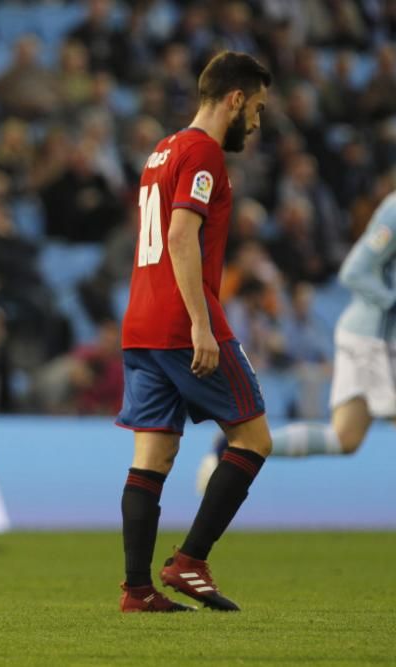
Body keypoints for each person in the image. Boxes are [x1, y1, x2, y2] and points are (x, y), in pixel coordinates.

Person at [115, 51, 271, 613]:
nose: (256, 121)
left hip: (141, 323)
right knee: (254, 440)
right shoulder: (204, 152)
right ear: (234, 98)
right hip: (184, 321)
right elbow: (181, 238)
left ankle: (136, 591)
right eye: (255, 108)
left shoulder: (163, 150)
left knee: (152, 456)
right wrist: (203, 326)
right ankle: (190, 562)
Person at [200, 188, 396, 468]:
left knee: (344, 438)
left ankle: (238, 446)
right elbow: (355, 270)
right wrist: (391, 301)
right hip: (374, 338)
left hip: (376, 338)